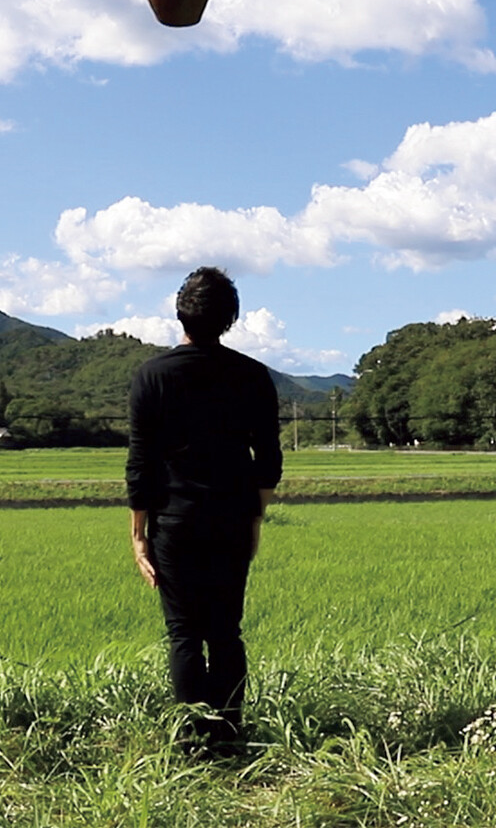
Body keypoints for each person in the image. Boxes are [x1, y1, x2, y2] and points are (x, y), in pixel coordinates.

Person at [126, 266, 282, 752]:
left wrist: (138, 534)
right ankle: (230, 736)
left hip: (174, 521)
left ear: (180, 313)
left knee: (184, 634)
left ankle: (193, 744)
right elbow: (269, 459)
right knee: (226, 632)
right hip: (233, 517)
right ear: (230, 319)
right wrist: (256, 519)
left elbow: (141, 463)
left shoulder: (151, 376)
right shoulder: (254, 376)